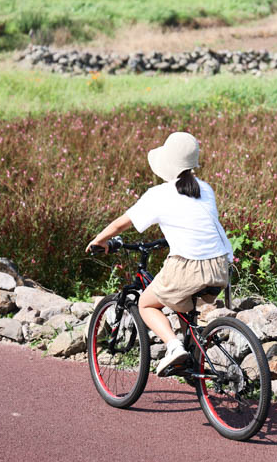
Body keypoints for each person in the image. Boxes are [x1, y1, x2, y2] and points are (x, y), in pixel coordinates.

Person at [86, 132, 233, 376]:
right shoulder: (206, 189)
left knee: (146, 304)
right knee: (184, 304)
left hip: (188, 268)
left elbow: (122, 224)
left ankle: (174, 348)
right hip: (219, 268)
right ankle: (192, 359)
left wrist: (99, 240)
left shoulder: (159, 195)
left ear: (167, 165)